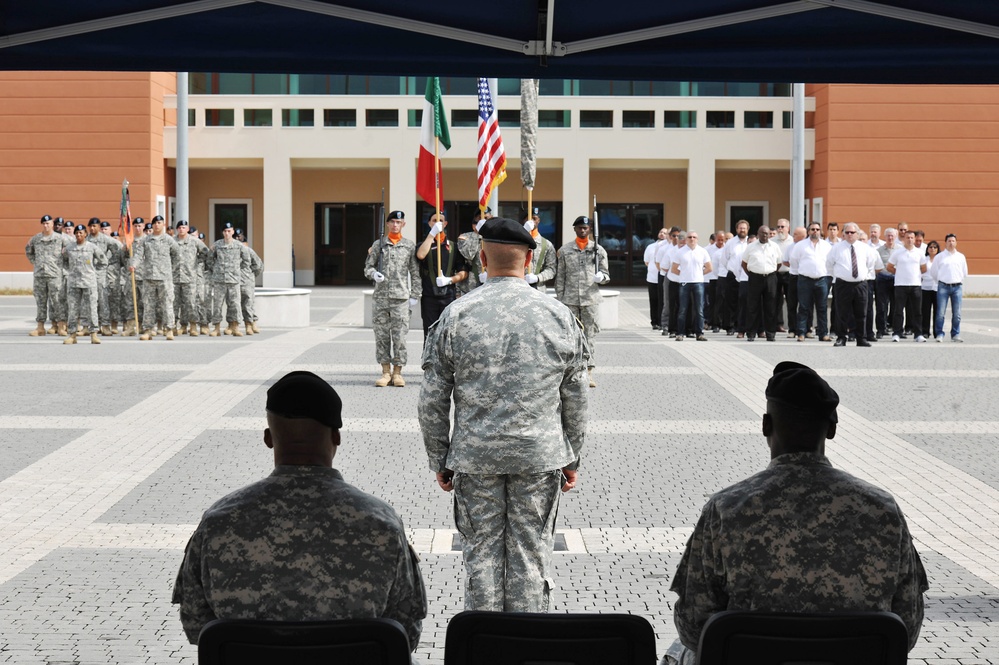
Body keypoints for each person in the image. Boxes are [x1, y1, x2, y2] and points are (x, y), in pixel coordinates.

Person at [663, 361, 928, 665]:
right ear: (831, 429)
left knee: (678, 652)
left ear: (766, 424)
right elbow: (906, 624)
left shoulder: (727, 508)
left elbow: (693, 623)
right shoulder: (882, 509)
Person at [172, 371, 426, 651]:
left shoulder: (219, 522)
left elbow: (197, 626)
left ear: (269, 438)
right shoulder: (381, 524)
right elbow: (406, 632)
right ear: (336, 437)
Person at [419, 217, 587, 613]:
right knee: (530, 557)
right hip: (539, 456)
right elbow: (576, 397)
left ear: (481, 256)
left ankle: (481, 647)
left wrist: (438, 457)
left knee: (481, 558)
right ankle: (526, 649)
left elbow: (432, 398)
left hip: (476, 458)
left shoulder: (457, 315)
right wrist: (572, 457)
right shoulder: (558, 315)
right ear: (530, 260)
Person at [363, 210, 421, 386]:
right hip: (381, 298)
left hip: (401, 298)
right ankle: (385, 371)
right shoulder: (379, 244)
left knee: (400, 337)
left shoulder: (409, 246)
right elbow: (367, 267)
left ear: (403, 224)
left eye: (399, 222)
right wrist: (374, 274)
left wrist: (415, 294)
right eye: (392, 222)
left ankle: (398, 372)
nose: (395, 225)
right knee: (381, 336)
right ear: (387, 224)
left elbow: (415, 272)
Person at [555, 216, 609, 388]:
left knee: (589, 336)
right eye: (579, 228)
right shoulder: (565, 250)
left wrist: (602, 277)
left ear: (590, 230)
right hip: (569, 299)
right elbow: (560, 276)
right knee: (570, 336)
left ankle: (588, 371)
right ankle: (570, 371)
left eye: (585, 227)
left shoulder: (598, 250)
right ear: (575, 229)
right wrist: (561, 299)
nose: (583, 230)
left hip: (589, 299)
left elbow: (606, 274)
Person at [826, 222, 881, 347]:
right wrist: (839, 275)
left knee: (861, 312)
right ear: (843, 234)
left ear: (857, 233)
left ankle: (861, 338)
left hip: (860, 284)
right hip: (842, 284)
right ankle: (841, 337)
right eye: (847, 232)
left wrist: (863, 275)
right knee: (841, 312)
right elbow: (829, 265)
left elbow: (871, 264)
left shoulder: (865, 248)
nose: (850, 235)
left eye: (852, 232)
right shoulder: (836, 248)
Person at [415, 212, 468, 338]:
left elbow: (464, 272)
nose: (437, 223)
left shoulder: (454, 247)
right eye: (434, 220)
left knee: (447, 333)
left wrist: (450, 280)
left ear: (445, 224)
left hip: (448, 296)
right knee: (430, 333)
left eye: (441, 220)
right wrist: (432, 234)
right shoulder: (424, 245)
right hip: (429, 296)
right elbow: (420, 255)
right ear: (429, 223)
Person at [131, 215, 179, 341]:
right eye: (155, 223)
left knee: (167, 304)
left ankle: (169, 329)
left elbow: (177, 256)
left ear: (163, 224)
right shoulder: (145, 240)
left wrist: (170, 270)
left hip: (165, 278)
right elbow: (138, 255)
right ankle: (148, 330)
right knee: (148, 304)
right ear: (152, 225)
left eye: (159, 222)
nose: (157, 225)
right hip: (149, 277)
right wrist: (134, 265)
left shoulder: (169, 240)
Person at [25, 214, 70, 337]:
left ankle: (61, 326)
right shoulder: (36, 239)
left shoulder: (61, 239)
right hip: (40, 275)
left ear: (52, 224)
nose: (46, 226)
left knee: (57, 301)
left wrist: (63, 267)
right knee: (40, 301)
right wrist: (36, 263)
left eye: (48, 223)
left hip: (55, 274)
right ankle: (40, 327)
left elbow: (70, 253)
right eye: (44, 224)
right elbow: (28, 251)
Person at [62, 224, 107, 345]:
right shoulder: (69, 248)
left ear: (85, 234)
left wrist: (94, 274)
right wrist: (69, 272)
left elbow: (103, 261)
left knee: (92, 309)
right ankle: (72, 335)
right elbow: (63, 261)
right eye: (77, 233)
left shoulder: (92, 247)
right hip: (74, 283)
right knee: (73, 309)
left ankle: (93, 334)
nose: (78, 235)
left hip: (89, 283)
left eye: (81, 233)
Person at [789, 222, 832, 342]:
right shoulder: (800, 245)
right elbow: (794, 261)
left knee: (822, 308)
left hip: (822, 280)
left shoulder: (826, 246)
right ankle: (801, 333)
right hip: (805, 280)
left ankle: (823, 334)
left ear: (820, 231)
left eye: (817, 229)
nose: (815, 231)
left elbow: (830, 262)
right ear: (808, 231)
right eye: (812, 229)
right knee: (803, 307)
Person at [207, 221, 250, 337]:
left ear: (233, 231)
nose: (227, 233)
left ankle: (235, 327)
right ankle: (216, 328)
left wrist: (237, 270)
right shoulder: (217, 245)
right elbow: (209, 260)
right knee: (217, 304)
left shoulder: (239, 246)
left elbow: (246, 261)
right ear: (222, 232)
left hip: (233, 280)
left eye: (229, 231)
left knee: (235, 304)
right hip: (219, 280)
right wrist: (216, 270)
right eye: (225, 231)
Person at [887, 231, 927, 342]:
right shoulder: (898, 252)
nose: (910, 239)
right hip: (900, 285)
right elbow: (889, 266)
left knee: (917, 311)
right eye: (908, 237)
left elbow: (924, 268)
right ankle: (897, 333)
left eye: (912, 238)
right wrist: (899, 272)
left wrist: (915, 275)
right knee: (898, 310)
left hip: (915, 285)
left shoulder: (919, 253)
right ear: (904, 239)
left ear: (914, 239)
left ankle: (918, 334)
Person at [670, 231, 711, 341]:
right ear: (686, 239)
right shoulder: (680, 252)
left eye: (694, 237)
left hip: (698, 283)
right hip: (684, 283)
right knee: (682, 309)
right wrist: (683, 274)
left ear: (697, 239)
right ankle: (680, 333)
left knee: (699, 310)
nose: (692, 239)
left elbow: (709, 267)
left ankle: (699, 333)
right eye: (690, 237)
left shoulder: (703, 251)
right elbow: (674, 269)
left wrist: (699, 274)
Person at [930, 233, 968, 342]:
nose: (951, 243)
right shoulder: (939, 257)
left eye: (953, 241)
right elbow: (933, 272)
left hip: (957, 287)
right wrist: (942, 280)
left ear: (956, 243)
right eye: (949, 241)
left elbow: (964, 272)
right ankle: (939, 334)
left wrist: (957, 280)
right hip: (943, 287)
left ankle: (955, 334)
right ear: (945, 243)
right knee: (940, 313)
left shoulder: (961, 256)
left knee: (957, 313)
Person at [172, 220, 207, 336]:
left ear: (187, 229)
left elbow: (206, 252)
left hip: (190, 277)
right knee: (174, 303)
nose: (182, 229)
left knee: (191, 303)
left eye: (184, 227)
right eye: (180, 227)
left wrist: (198, 264)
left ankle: (193, 325)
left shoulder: (194, 241)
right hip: (174, 277)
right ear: (177, 229)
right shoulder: (172, 241)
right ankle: (175, 326)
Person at [455, 207, 491, 296]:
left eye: (486, 218)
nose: (484, 222)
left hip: (491, 282)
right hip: (471, 286)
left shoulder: (496, 238)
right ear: (474, 224)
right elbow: (468, 254)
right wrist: (478, 234)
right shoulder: (465, 237)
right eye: (480, 219)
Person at [524, 208, 556, 290]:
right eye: (529, 218)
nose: (532, 222)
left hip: (538, 289)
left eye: (534, 219)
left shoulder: (546, 245)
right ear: (524, 220)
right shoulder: (517, 241)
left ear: (539, 220)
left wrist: (537, 278)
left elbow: (551, 269)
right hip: (520, 288)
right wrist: (524, 231)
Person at [238, 233, 264, 335]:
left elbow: (258, 265)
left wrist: (250, 275)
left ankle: (251, 323)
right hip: (234, 281)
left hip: (247, 282)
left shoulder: (249, 251)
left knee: (249, 303)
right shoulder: (233, 252)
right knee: (234, 305)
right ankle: (232, 325)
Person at [920, 240, 940, 339]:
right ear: (927, 249)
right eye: (930, 247)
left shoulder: (940, 259)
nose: (932, 249)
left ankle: (937, 332)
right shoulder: (924, 259)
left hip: (937, 287)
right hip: (925, 287)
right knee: (925, 311)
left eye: (935, 247)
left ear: (937, 249)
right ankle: (925, 331)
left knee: (937, 311)